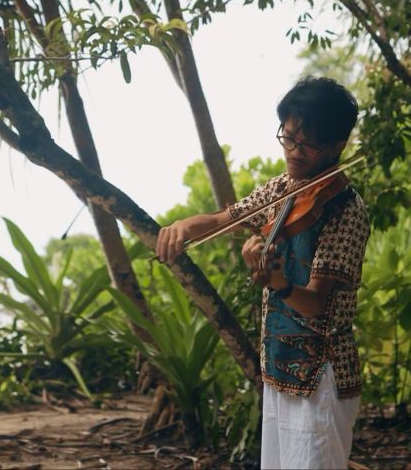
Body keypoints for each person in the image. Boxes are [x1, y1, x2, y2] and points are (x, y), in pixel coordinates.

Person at [155, 76, 370, 469]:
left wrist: (279, 284)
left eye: (307, 144)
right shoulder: (282, 189)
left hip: (321, 374)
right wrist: (186, 226)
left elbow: (316, 303)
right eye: (288, 138)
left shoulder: (345, 209)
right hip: (278, 368)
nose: (294, 151)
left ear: (337, 145)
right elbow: (227, 217)